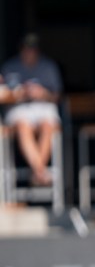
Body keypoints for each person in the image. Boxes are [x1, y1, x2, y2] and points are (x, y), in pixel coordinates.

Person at [1, 34, 64, 186]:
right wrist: (20, 93)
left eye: (32, 49)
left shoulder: (48, 66)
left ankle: (38, 172)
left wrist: (43, 93)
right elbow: (3, 94)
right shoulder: (10, 67)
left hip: (43, 107)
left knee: (48, 125)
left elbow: (57, 96)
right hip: (19, 108)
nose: (29, 52)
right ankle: (41, 172)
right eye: (26, 49)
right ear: (21, 49)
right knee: (23, 126)